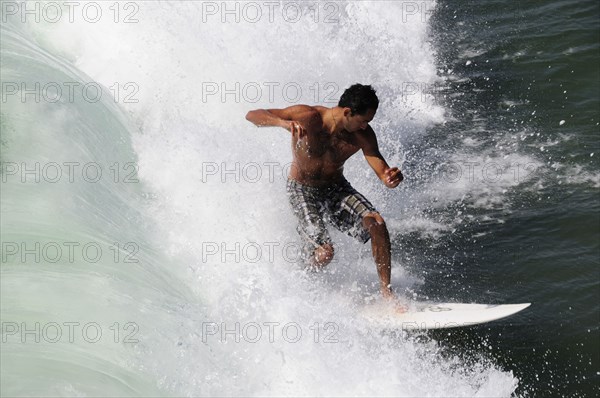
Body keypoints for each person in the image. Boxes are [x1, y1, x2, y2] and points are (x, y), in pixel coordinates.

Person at [245, 84, 403, 300]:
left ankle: (387, 293)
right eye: (363, 120)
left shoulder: (362, 135)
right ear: (347, 112)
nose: (366, 126)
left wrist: (390, 177)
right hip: (302, 190)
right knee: (325, 253)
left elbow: (382, 170)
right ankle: (302, 283)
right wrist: (283, 123)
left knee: (377, 223)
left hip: (336, 189)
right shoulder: (309, 117)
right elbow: (252, 115)